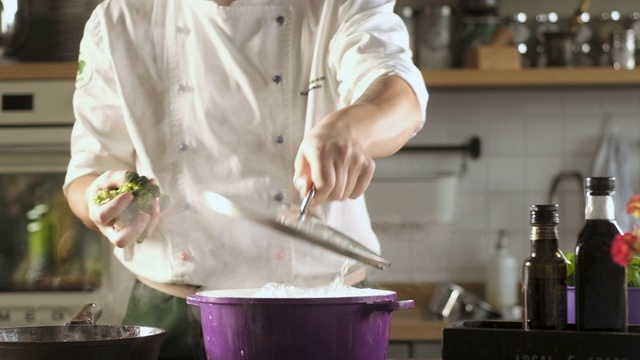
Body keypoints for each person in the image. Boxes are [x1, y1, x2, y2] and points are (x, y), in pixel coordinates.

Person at [63, 0, 428, 359]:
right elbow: (86, 175)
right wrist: (100, 199)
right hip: (173, 313)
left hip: (324, 308)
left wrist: (351, 128)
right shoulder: (119, 17)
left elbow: (401, 98)